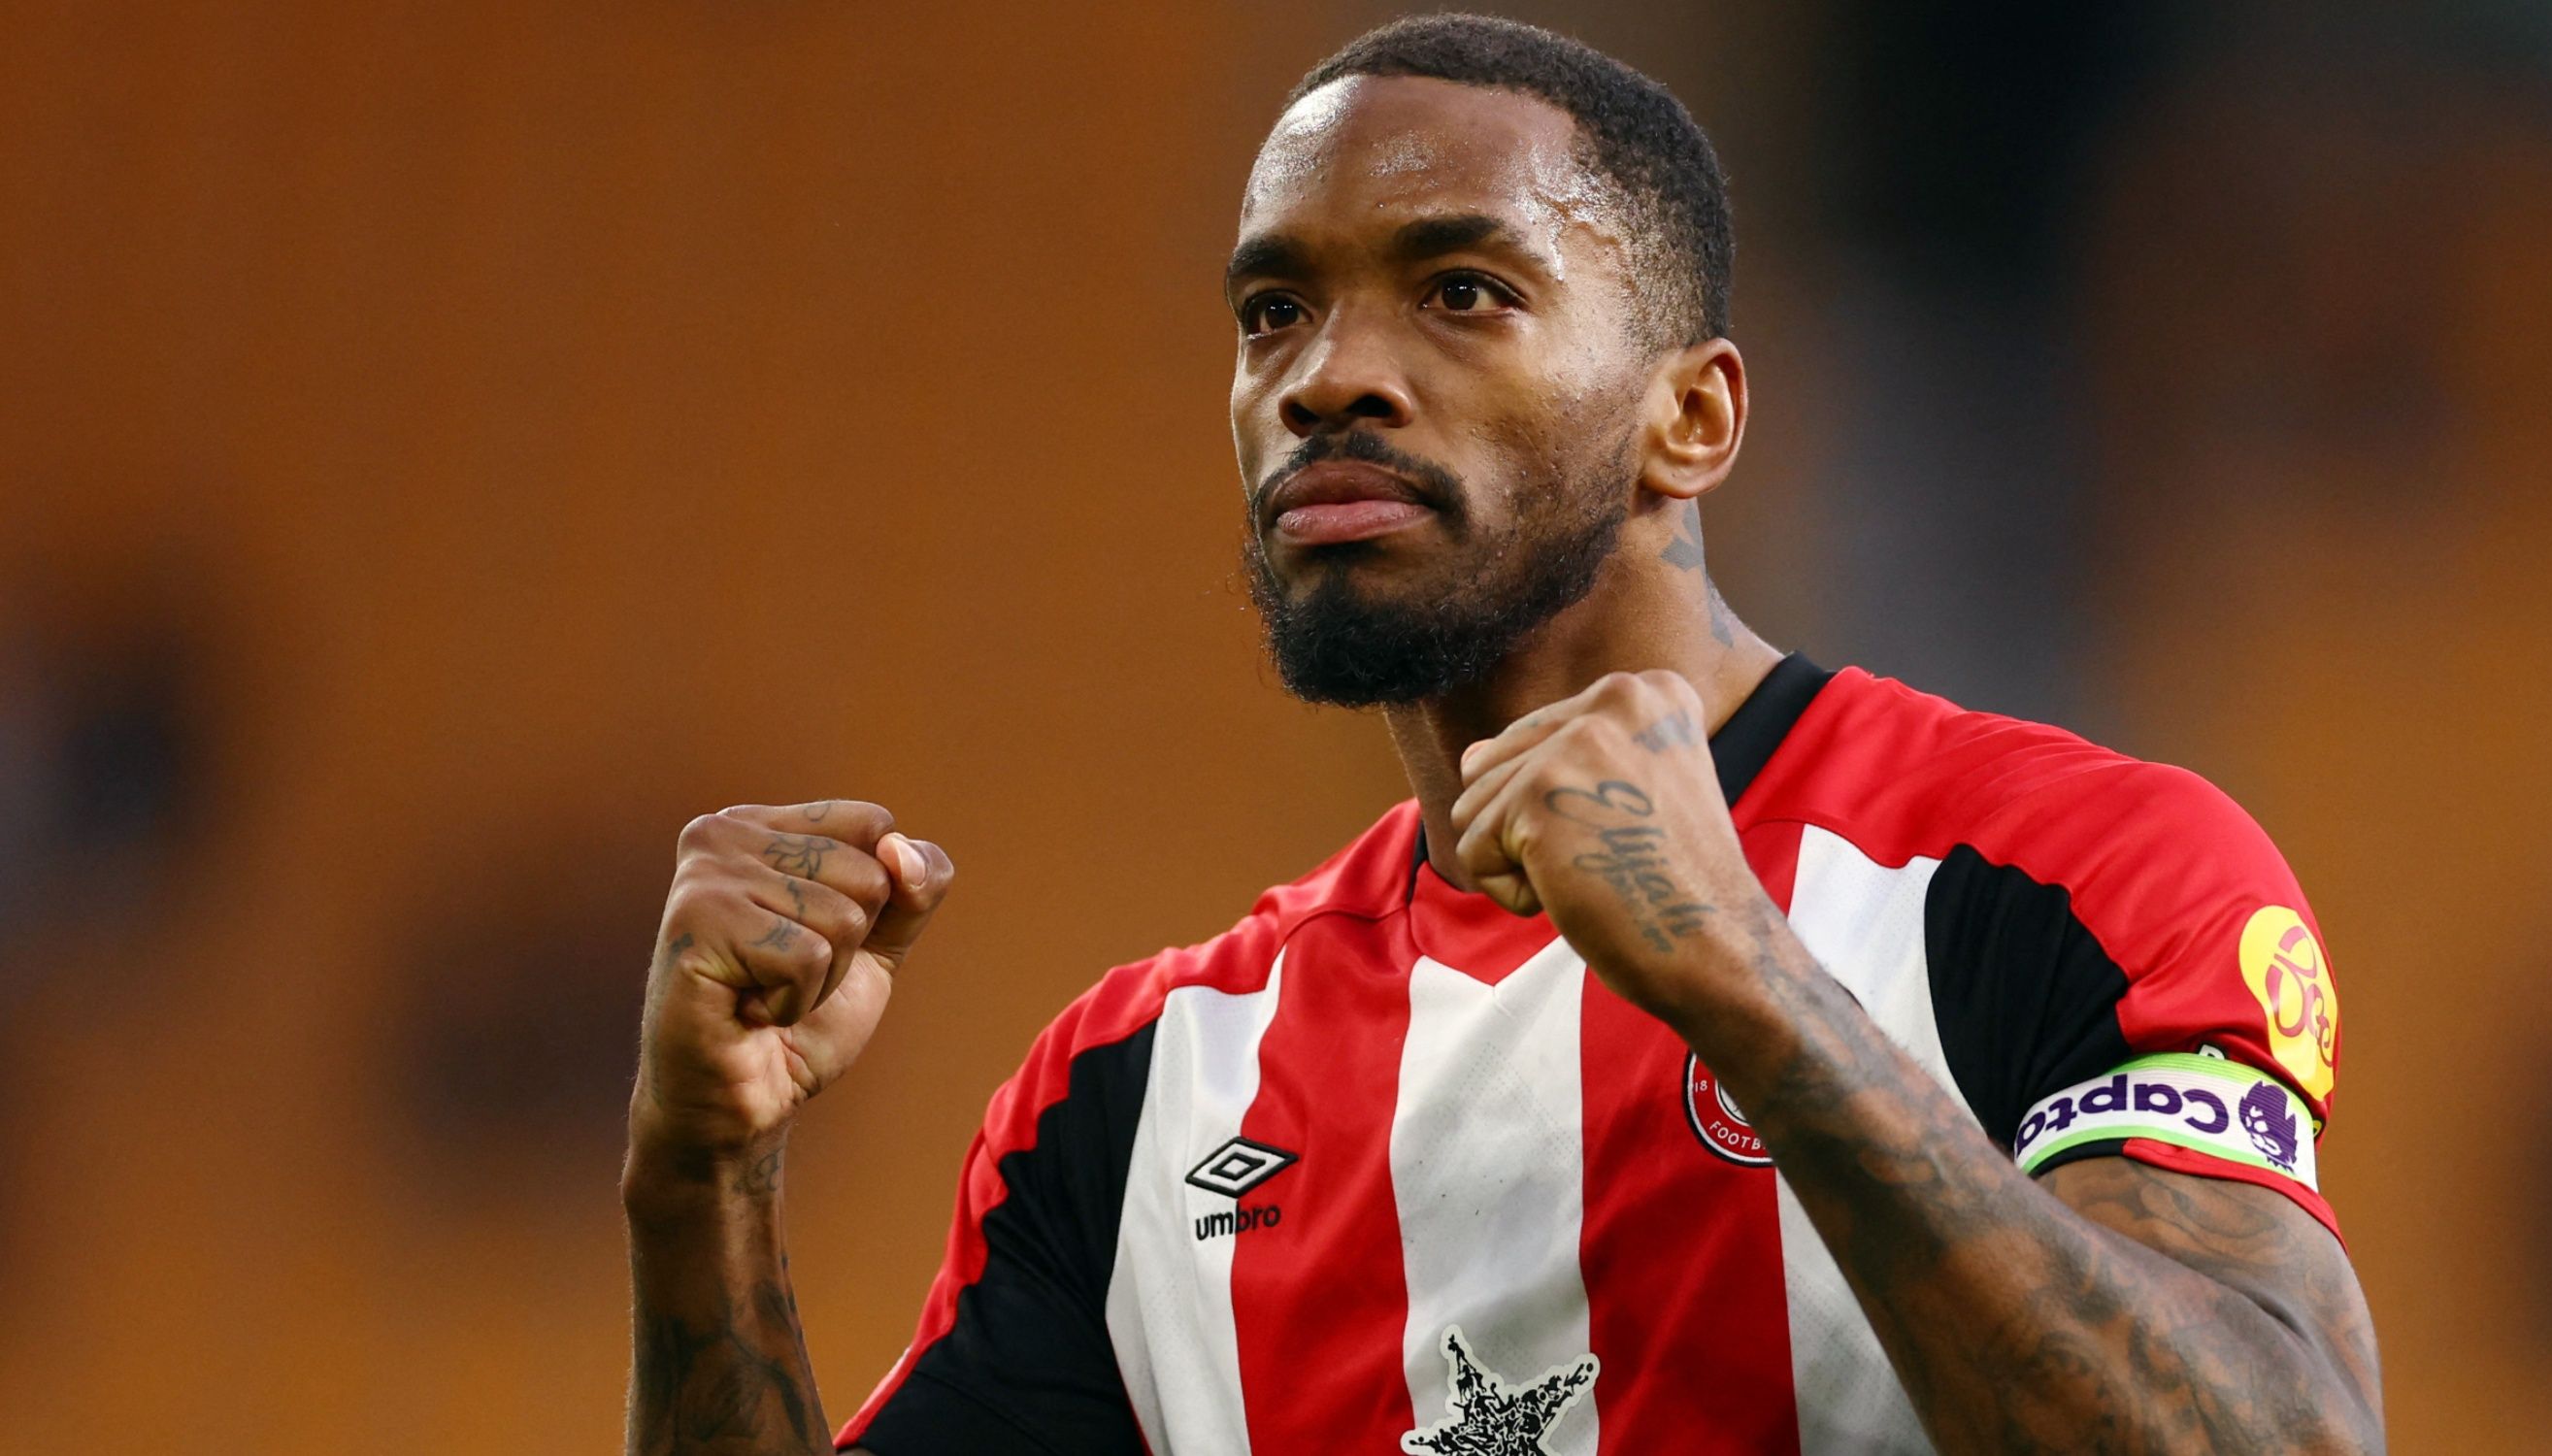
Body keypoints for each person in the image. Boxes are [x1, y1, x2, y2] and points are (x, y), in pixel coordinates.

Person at [622, 15, 2384, 1455]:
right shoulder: (1145, 1091)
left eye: (1459, 291)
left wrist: (1754, 991)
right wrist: (701, 1184)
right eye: (1273, 312)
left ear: (1688, 416)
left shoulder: (2064, 876)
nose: (1325, 375)